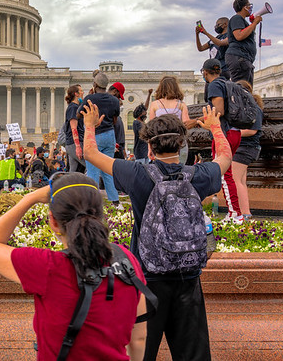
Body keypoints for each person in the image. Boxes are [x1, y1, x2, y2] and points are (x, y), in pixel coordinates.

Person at [82, 101, 230, 361]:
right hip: (188, 277)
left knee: (141, 353)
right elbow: (225, 158)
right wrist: (216, 128)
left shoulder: (136, 174)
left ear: (149, 147)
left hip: (147, 279)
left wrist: (89, 126)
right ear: (181, 145)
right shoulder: (198, 175)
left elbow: (91, 154)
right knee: (193, 355)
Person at [0, 178, 147, 361]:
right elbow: (139, 337)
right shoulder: (126, 259)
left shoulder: (48, 266)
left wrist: (30, 198)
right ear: (100, 215)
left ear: (53, 221)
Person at [200, 58, 242, 222]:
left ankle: (235, 214)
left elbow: (219, 111)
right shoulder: (227, 83)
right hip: (234, 131)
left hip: (223, 133)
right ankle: (235, 212)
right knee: (227, 174)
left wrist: (197, 121)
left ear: (205, 72)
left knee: (223, 174)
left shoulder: (215, 85)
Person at [77, 72, 121, 205]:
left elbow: (78, 114)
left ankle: (92, 202)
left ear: (95, 84)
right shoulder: (114, 100)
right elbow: (115, 119)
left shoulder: (90, 98)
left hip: (94, 135)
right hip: (109, 135)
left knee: (92, 170)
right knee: (108, 169)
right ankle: (115, 201)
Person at [230, 81, 263, 219]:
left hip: (246, 147)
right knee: (240, 181)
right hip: (244, 147)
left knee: (235, 179)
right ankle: (245, 212)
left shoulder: (253, 109)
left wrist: (232, 133)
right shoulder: (249, 108)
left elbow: (252, 130)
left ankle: (242, 213)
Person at [148, 76, 191, 164]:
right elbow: (186, 125)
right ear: (176, 88)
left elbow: (150, 130)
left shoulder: (155, 104)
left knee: (161, 169)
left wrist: (150, 148)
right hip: (177, 143)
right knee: (180, 168)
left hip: (160, 144)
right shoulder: (181, 105)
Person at [226, 0, 262, 85]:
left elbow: (247, 34)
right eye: (249, 5)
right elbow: (239, 36)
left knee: (245, 88)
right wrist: (254, 23)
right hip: (240, 58)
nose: (250, 7)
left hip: (242, 58)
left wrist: (253, 24)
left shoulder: (241, 20)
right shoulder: (237, 18)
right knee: (242, 88)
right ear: (244, 7)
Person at [62, 84, 85, 173]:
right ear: (76, 94)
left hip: (71, 144)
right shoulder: (73, 108)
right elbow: (73, 128)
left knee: (73, 171)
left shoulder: (75, 107)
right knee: (91, 166)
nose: (83, 93)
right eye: (81, 91)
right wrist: (78, 146)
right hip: (75, 143)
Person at [109, 82, 127, 160]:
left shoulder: (117, 116)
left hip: (119, 147)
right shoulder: (108, 106)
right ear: (114, 91)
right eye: (118, 97)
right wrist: (113, 144)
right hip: (114, 147)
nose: (119, 100)